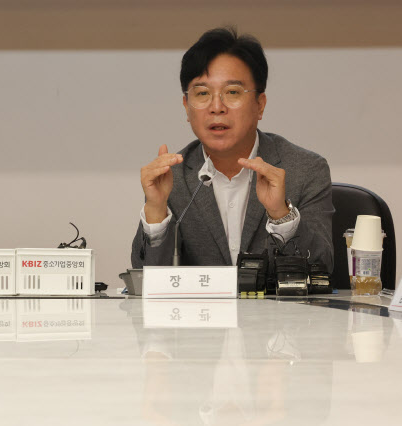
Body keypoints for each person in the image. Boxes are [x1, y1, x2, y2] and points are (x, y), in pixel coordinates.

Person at [131, 27, 334, 271]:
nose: (217, 107)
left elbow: (322, 269)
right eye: (202, 93)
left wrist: (281, 215)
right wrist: (155, 210)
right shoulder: (172, 177)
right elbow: (147, 279)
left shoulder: (304, 170)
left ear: (260, 105)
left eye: (232, 92)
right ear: (186, 106)